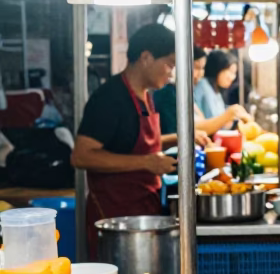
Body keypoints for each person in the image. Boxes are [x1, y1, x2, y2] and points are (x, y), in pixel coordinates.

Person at [72, 24, 179, 253]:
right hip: (115, 219)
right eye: (169, 64)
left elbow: (131, 141)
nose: (171, 72)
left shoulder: (146, 96)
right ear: (146, 57)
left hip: (144, 211)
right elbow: (81, 156)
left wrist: (182, 139)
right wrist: (147, 163)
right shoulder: (110, 98)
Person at [194, 50, 245, 124]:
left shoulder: (216, 90)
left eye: (234, 73)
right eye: (230, 71)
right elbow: (209, 118)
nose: (232, 77)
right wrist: (230, 115)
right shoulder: (203, 85)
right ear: (219, 68)